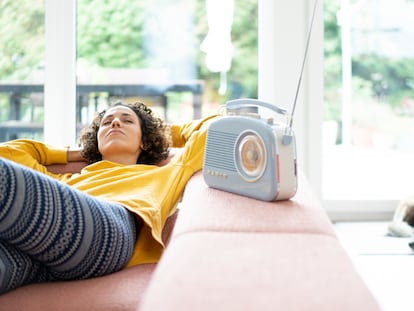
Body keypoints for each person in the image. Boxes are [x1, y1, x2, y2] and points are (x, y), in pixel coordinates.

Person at [0, 101, 217, 294]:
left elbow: (216, 129)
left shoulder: (167, 171)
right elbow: (7, 152)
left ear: (145, 141)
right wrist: (77, 152)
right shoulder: (66, 181)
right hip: (49, 256)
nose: (115, 124)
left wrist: (163, 133)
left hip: (113, 234)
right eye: (107, 122)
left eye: (127, 121)